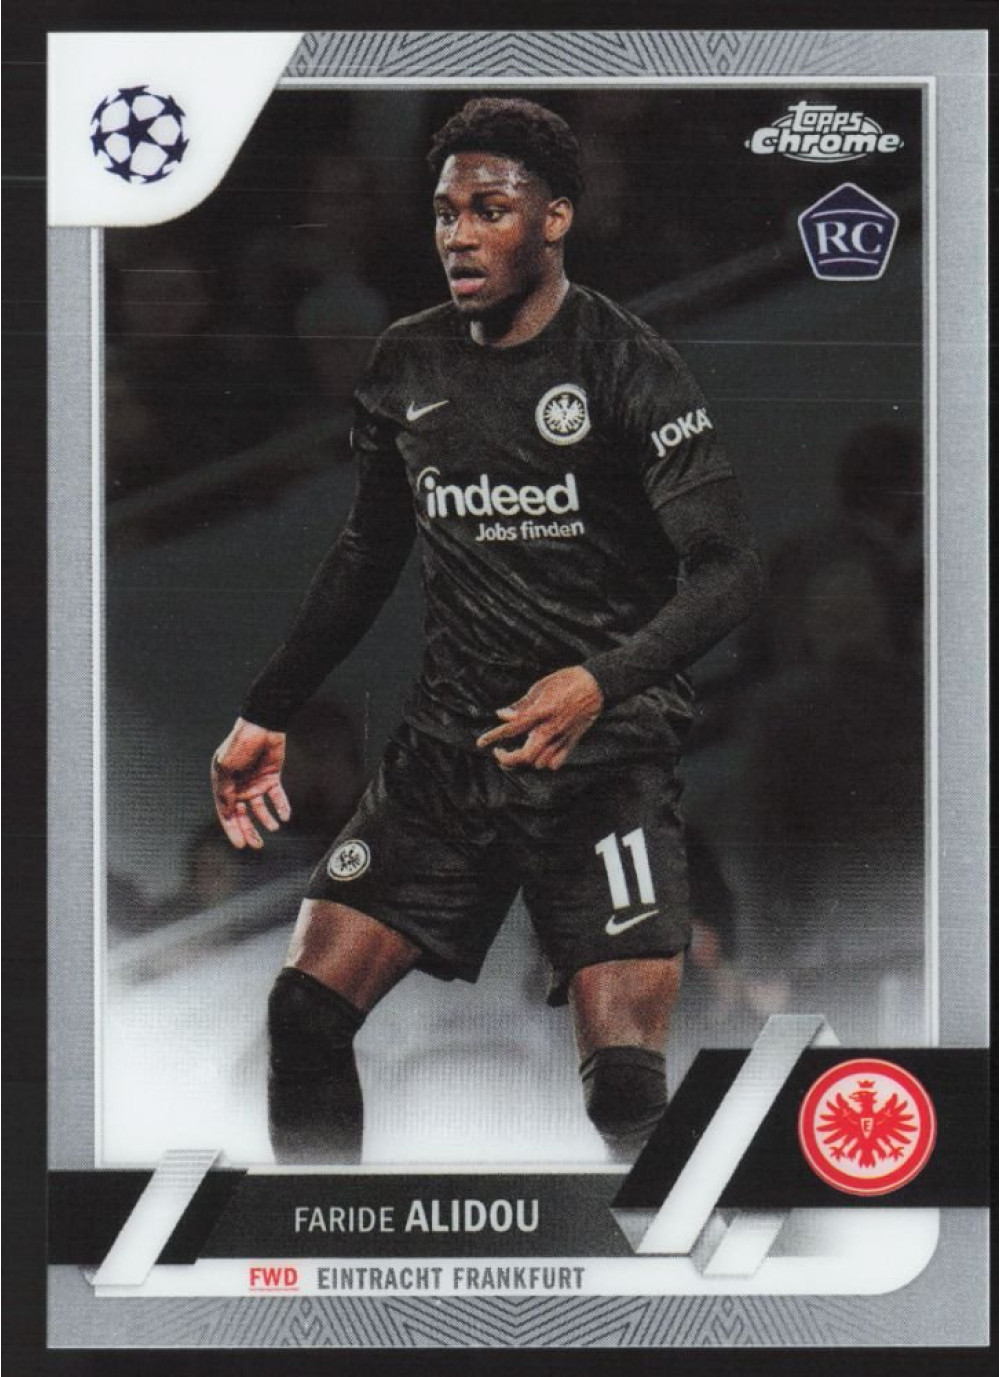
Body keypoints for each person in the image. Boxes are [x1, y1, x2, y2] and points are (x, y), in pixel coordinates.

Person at [211, 98, 764, 1166]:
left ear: (555, 218)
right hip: (449, 760)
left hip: (602, 760)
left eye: (490, 210)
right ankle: (324, 1249)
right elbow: (366, 554)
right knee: (303, 1013)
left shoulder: (628, 364)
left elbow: (730, 569)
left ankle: (692, 1253)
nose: (459, 236)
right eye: (445, 212)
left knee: (625, 1096)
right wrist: (264, 712)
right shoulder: (405, 363)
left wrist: (599, 681)